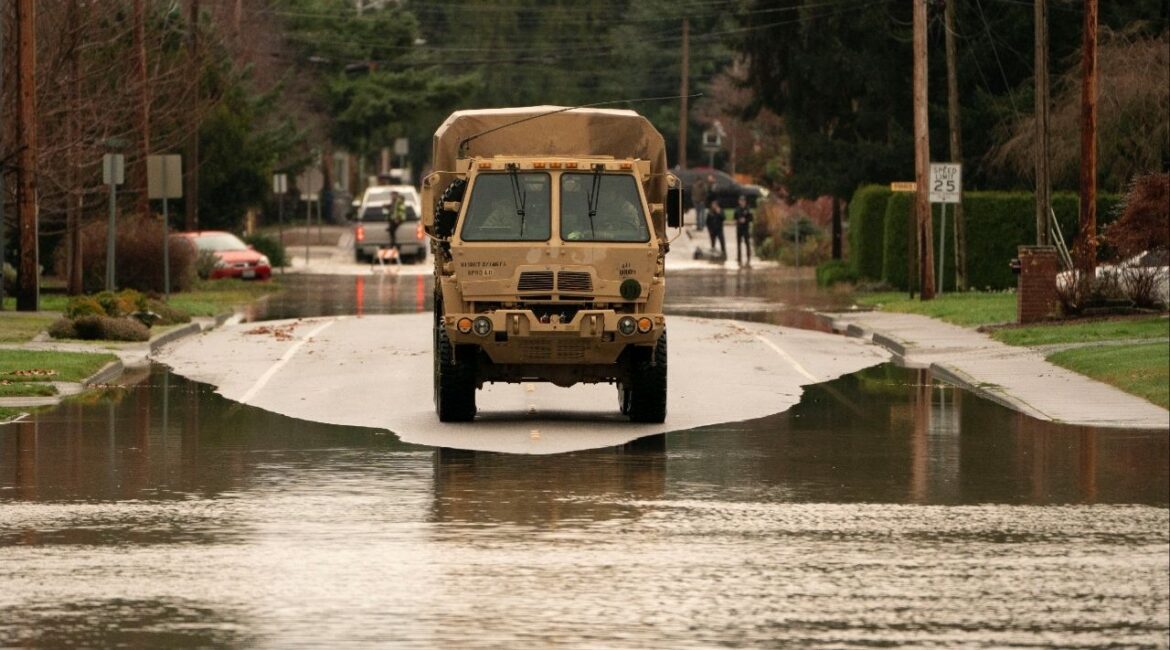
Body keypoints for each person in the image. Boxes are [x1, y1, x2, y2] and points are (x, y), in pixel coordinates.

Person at [733, 194, 754, 267]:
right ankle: (739, 258)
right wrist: (739, 220)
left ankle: (748, 257)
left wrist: (746, 220)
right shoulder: (737, 209)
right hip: (739, 228)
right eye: (741, 201)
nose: (742, 202)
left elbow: (751, 218)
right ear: (739, 202)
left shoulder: (748, 209)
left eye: (743, 201)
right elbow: (735, 218)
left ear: (745, 202)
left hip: (745, 228)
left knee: (747, 243)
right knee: (738, 244)